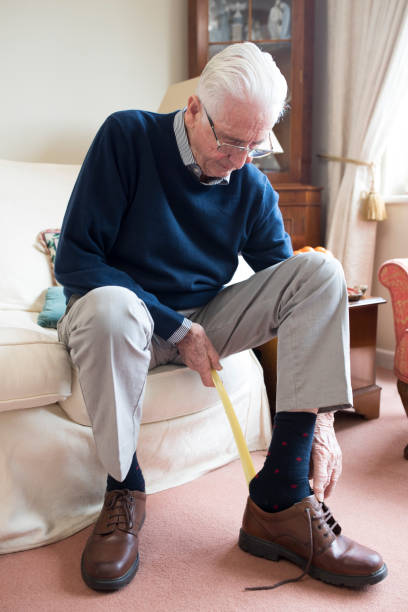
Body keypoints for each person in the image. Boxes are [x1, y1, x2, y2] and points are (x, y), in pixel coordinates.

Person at [54, 42, 387, 592]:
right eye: (230, 141)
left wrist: (322, 418)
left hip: (206, 317)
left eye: (255, 146)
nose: (239, 160)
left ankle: (279, 501)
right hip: (118, 313)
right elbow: (77, 259)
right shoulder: (127, 137)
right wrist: (176, 326)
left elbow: (298, 296)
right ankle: (123, 491)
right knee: (116, 311)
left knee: (320, 272)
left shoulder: (249, 182)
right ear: (192, 109)